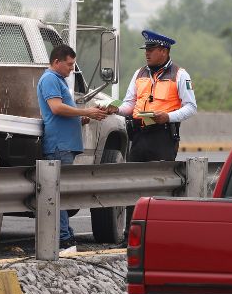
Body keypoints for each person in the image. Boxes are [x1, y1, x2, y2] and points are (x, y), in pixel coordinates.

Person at [36, 44, 107, 252]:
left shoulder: (57, 80)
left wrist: (83, 118)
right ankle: (63, 237)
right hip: (59, 145)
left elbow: (64, 112)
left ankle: (64, 233)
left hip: (65, 144)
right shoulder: (50, 79)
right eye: (69, 65)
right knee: (59, 192)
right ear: (56, 62)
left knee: (62, 191)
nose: (71, 69)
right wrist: (85, 111)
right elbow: (56, 108)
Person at [106, 30, 197, 162]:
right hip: (138, 136)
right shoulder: (139, 73)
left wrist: (168, 117)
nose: (146, 53)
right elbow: (130, 103)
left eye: (151, 50)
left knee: (161, 178)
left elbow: (191, 107)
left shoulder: (180, 75)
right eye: (146, 49)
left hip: (163, 137)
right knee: (133, 178)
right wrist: (117, 109)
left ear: (164, 51)